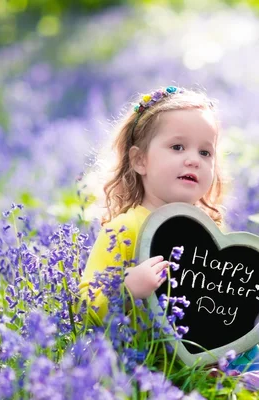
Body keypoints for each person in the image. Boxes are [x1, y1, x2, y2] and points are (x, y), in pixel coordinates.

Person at [79, 86, 225, 323]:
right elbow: (86, 308)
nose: (193, 160)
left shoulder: (210, 233)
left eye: (205, 152)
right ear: (140, 160)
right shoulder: (124, 229)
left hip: (205, 358)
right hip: (145, 357)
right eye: (177, 147)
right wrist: (126, 291)